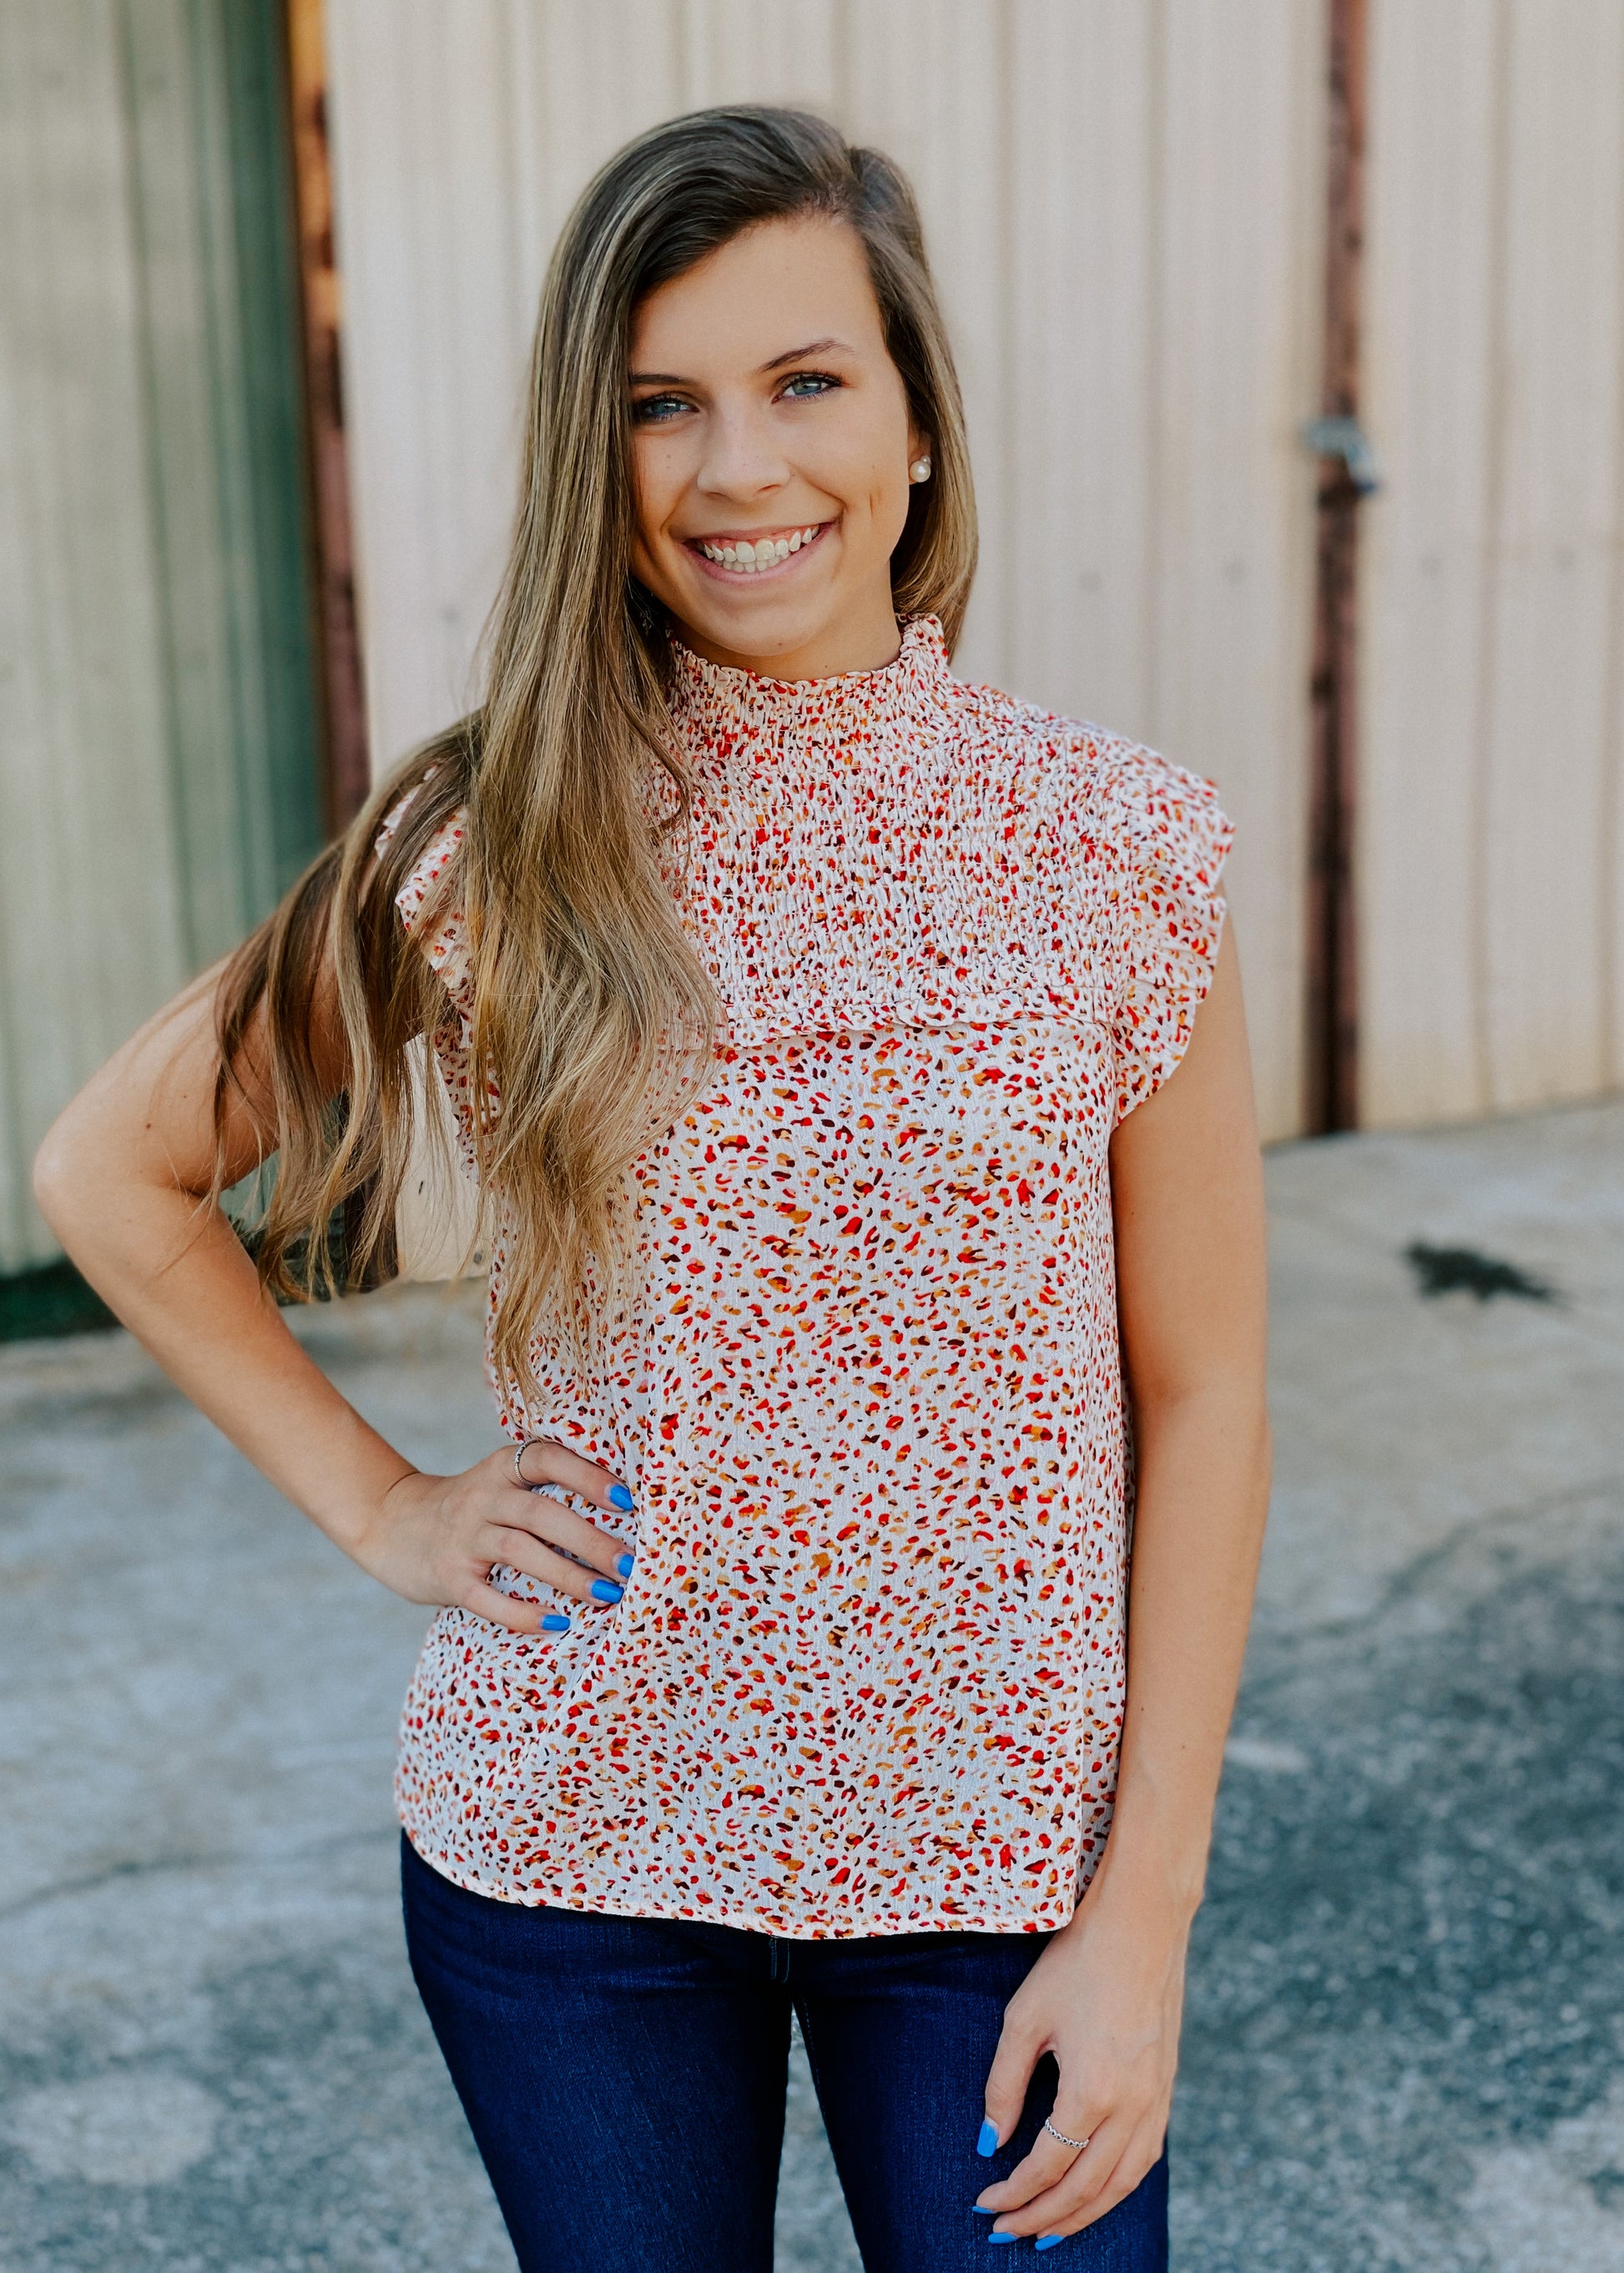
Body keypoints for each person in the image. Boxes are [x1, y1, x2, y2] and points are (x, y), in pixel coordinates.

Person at [36, 106, 1269, 2272]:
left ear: (914, 424)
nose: (735, 468)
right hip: (576, 1858)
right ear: (588, 457)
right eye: (657, 405)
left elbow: (1206, 1386)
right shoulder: (493, 844)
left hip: (994, 1862)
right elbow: (111, 1170)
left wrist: (1142, 1904)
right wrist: (385, 1507)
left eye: (804, 381)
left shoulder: (1115, 844)